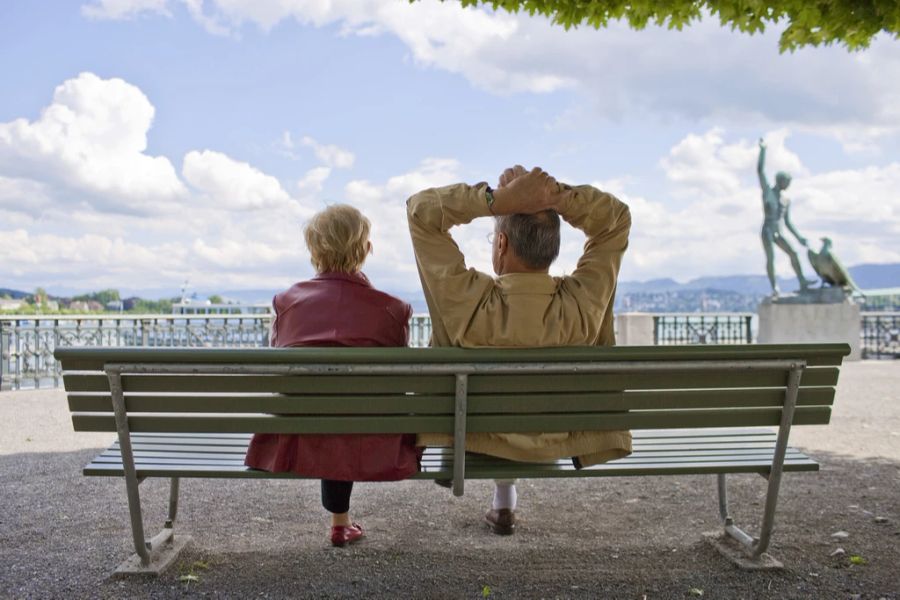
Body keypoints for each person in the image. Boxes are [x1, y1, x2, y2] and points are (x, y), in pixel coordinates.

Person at [406, 165, 632, 535]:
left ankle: (501, 494)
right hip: (554, 439)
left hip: (473, 437)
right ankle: (505, 499)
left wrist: (497, 200)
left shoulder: (469, 303)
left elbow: (420, 211)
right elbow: (615, 219)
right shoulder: (580, 306)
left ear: (501, 245)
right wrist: (555, 195)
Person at [244, 204, 418, 547]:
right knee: (347, 411)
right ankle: (341, 523)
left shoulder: (286, 302)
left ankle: (341, 521)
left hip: (301, 433)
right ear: (366, 250)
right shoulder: (393, 309)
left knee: (326, 407)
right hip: (371, 434)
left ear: (313, 250)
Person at [757, 138, 816, 295]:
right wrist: (763, 150)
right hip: (768, 230)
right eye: (787, 181)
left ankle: (802, 281)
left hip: (779, 231)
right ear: (780, 181)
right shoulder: (768, 193)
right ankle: (774, 287)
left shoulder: (786, 200)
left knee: (794, 253)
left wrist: (799, 238)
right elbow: (760, 171)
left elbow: (788, 223)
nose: (788, 184)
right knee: (771, 258)